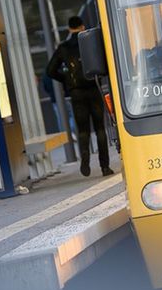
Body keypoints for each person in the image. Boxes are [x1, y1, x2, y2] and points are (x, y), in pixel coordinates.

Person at [46, 16, 113, 177]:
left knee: (82, 130)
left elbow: (50, 71)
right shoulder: (90, 43)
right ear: (82, 26)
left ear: (69, 29)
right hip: (93, 88)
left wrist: (67, 81)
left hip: (76, 93)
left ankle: (84, 156)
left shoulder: (63, 48)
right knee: (99, 129)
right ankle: (105, 167)